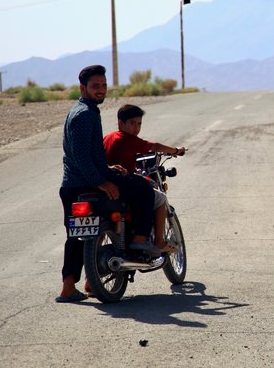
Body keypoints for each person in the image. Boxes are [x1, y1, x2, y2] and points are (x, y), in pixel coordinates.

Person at [57, 65, 159, 303]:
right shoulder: (84, 114)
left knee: (76, 235)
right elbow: (80, 155)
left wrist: (107, 169)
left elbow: (89, 154)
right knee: (144, 189)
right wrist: (101, 181)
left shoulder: (84, 110)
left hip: (72, 184)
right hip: (85, 181)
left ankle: (70, 287)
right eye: (95, 86)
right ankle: (140, 240)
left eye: (103, 85)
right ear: (83, 88)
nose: (101, 90)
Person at [103, 104, 186, 253]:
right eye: (132, 123)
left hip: (106, 180)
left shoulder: (108, 137)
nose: (136, 128)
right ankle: (153, 241)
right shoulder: (127, 139)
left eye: (139, 123)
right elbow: (154, 146)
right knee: (158, 198)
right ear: (121, 123)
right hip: (121, 182)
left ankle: (92, 271)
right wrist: (175, 150)